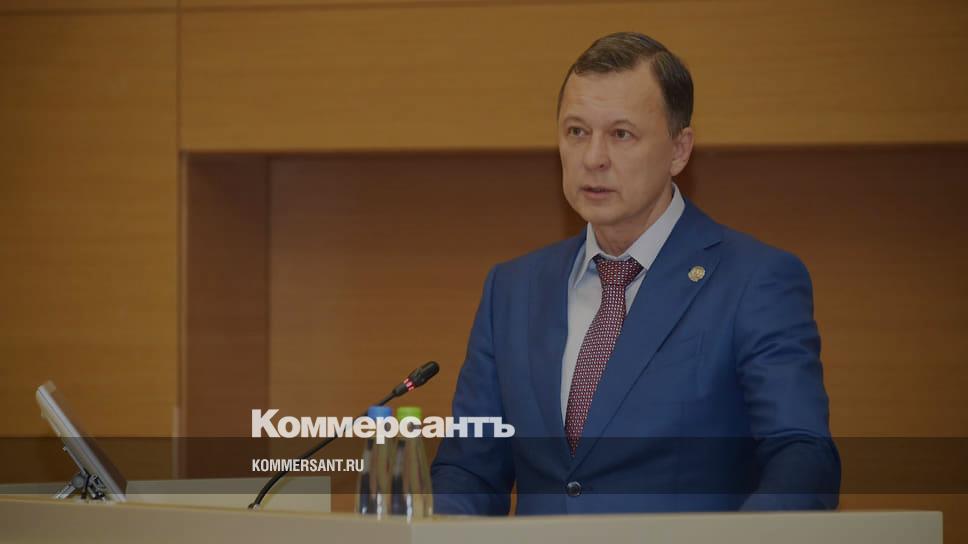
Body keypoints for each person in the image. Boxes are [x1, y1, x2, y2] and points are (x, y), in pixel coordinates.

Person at [431, 32, 840, 515]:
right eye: (576, 132)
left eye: (621, 134)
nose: (593, 158)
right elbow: (469, 469)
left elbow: (801, 456)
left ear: (679, 150)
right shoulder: (512, 290)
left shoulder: (754, 281)